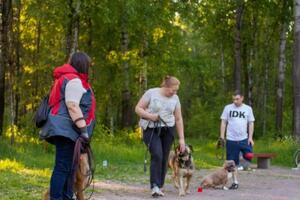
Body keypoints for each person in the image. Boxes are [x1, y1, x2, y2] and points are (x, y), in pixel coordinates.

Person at [40, 52, 96, 199]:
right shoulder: (74, 81)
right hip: (67, 130)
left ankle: (66, 196)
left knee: (70, 169)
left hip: (66, 130)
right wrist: (83, 130)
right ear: (83, 65)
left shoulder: (66, 79)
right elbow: (72, 105)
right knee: (63, 167)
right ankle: (57, 197)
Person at [135, 75, 186, 197]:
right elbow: (138, 108)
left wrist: (182, 139)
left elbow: (178, 119)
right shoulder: (151, 93)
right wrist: (150, 116)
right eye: (173, 90)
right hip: (151, 128)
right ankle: (155, 186)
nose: (175, 92)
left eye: (176, 91)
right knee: (157, 154)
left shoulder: (175, 98)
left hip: (168, 129)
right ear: (166, 86)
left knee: (164, 157)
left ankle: (160, 185)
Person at [219, 90, 255, 189]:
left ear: (242, 98)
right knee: (231, 163)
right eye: (233, 99)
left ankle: (241, 165)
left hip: (244, 138)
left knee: (249, 155)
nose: (235, 101)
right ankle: (235, 182)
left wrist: (250, 137)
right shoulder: (227, 108)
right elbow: (223, 122)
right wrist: (222, 136)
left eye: (237, 99)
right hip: (231, 139)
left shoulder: (248, 109)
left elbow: (251, 123)